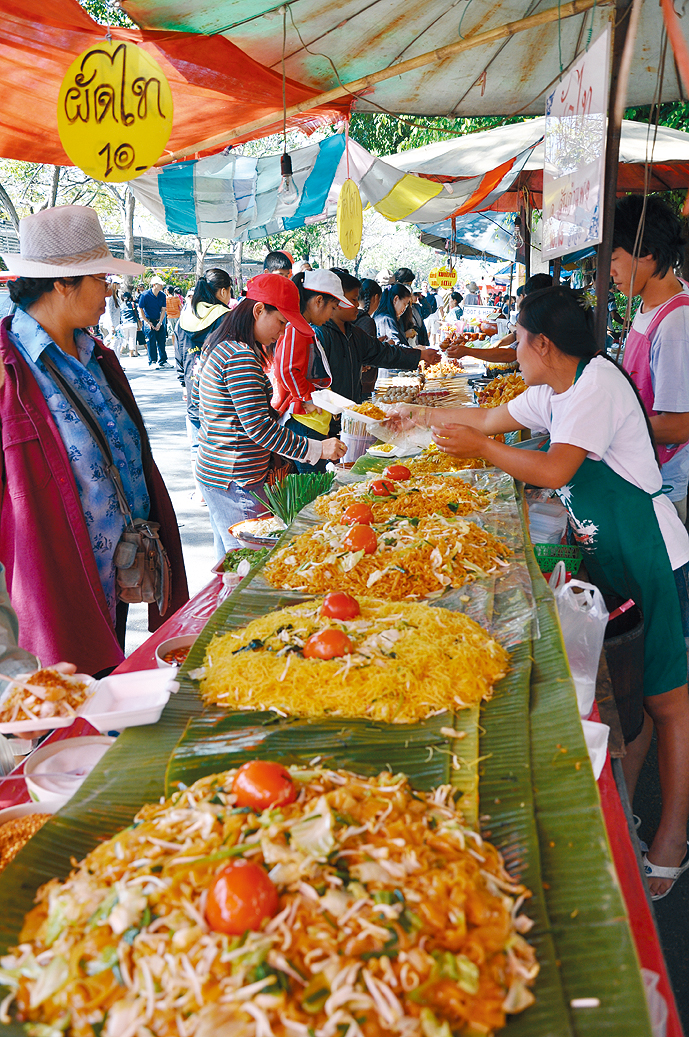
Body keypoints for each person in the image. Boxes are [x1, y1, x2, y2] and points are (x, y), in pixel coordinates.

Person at [390, 284, 689, 901]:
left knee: (669, 704)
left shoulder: (596, 385)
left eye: (518, 340)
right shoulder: (557, 388)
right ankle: (627, 813)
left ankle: (673, 840)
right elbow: (487, 418)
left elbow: (553, 470)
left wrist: (484, 450)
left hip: (656, 556)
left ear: (543, 344)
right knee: (627, 692)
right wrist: (419, 418)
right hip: (612, 554)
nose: (512, 351)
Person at [0, 205, 188, 676]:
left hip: (121, 572)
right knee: (63, 713)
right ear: (63, 283)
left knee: (107, 689)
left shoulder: (95, 354)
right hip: (59, 583)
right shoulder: (9, 368)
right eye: (101, 279)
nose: (110, 290)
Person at [193, 274, 347, 560]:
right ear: (259, 310)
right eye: (280, 322)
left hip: (217, 471)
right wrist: (317, 449)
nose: (282, 331)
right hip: (238, 476)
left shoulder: (219, 343)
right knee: (250, 563)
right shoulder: (240, 355)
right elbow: (259, 428)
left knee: (230, 563)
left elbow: (197, 405)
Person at [612, 194, 689, 520]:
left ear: (647, 254)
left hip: (663, 483)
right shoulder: (647, 307)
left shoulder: (676, 322)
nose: (610, 270)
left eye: (614, 257)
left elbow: (679, 426)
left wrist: (608, 426)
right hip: (640, 468)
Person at [272, 269, 354, 472]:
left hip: (313, 423)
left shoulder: (304, 328)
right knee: (310, 487)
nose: (332, 314)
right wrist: (307, 397)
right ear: (318, 301)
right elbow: (286, 371)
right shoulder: (296, 329)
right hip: (303, 423)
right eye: (332, 307)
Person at [315, 271, 440, 403]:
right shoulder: (319, 334)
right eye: (353, 299)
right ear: (336, 300)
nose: (357, 304)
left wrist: (420, 355)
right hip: (325, 415)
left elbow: (384, 353)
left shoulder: (355, 333)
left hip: (350, 409)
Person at [174, 269, 233, 503]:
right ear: (222, 291)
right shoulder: (225, 317)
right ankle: (219, 487)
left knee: (197, 442)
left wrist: (183, 384)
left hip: (192, 388)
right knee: (220, 441)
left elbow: (178, 356)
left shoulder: (184, 318)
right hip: (218, 393)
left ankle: (200, 490)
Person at [447, 273, 553, 364]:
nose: (523, 301)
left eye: (524, 297)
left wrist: (468, 351)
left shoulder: (543, 319)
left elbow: (511, 354)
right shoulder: (542, 316)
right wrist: (499, 343)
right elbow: (517, 335)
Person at [138, 275, 169, 367]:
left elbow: (163, 309)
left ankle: (163, 361)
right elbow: (140, 308)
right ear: (154, 285)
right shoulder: (145, 295)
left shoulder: (162, 295)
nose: (162, 286)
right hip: (148, 320)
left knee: (161, 340)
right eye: (160, 284)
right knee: (151, 340)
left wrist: (160, 322)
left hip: (158, 320)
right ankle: (152, 361)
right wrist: (147, 322)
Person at [373, 283, 415, 348]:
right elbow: (396, 347)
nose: (405, 309)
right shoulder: (386, 319)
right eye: (404, 304)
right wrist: (417, 351)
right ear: (396, 299)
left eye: (407, 306)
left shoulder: (382, 316)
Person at [119, 290, 140, 357]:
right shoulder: (133, 304)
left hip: (124, 324)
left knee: (124, 338)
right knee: (132, 338)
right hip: (133, 323)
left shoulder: (121, 305)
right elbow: (136, 313)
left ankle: (120, 351)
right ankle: (131, 353)